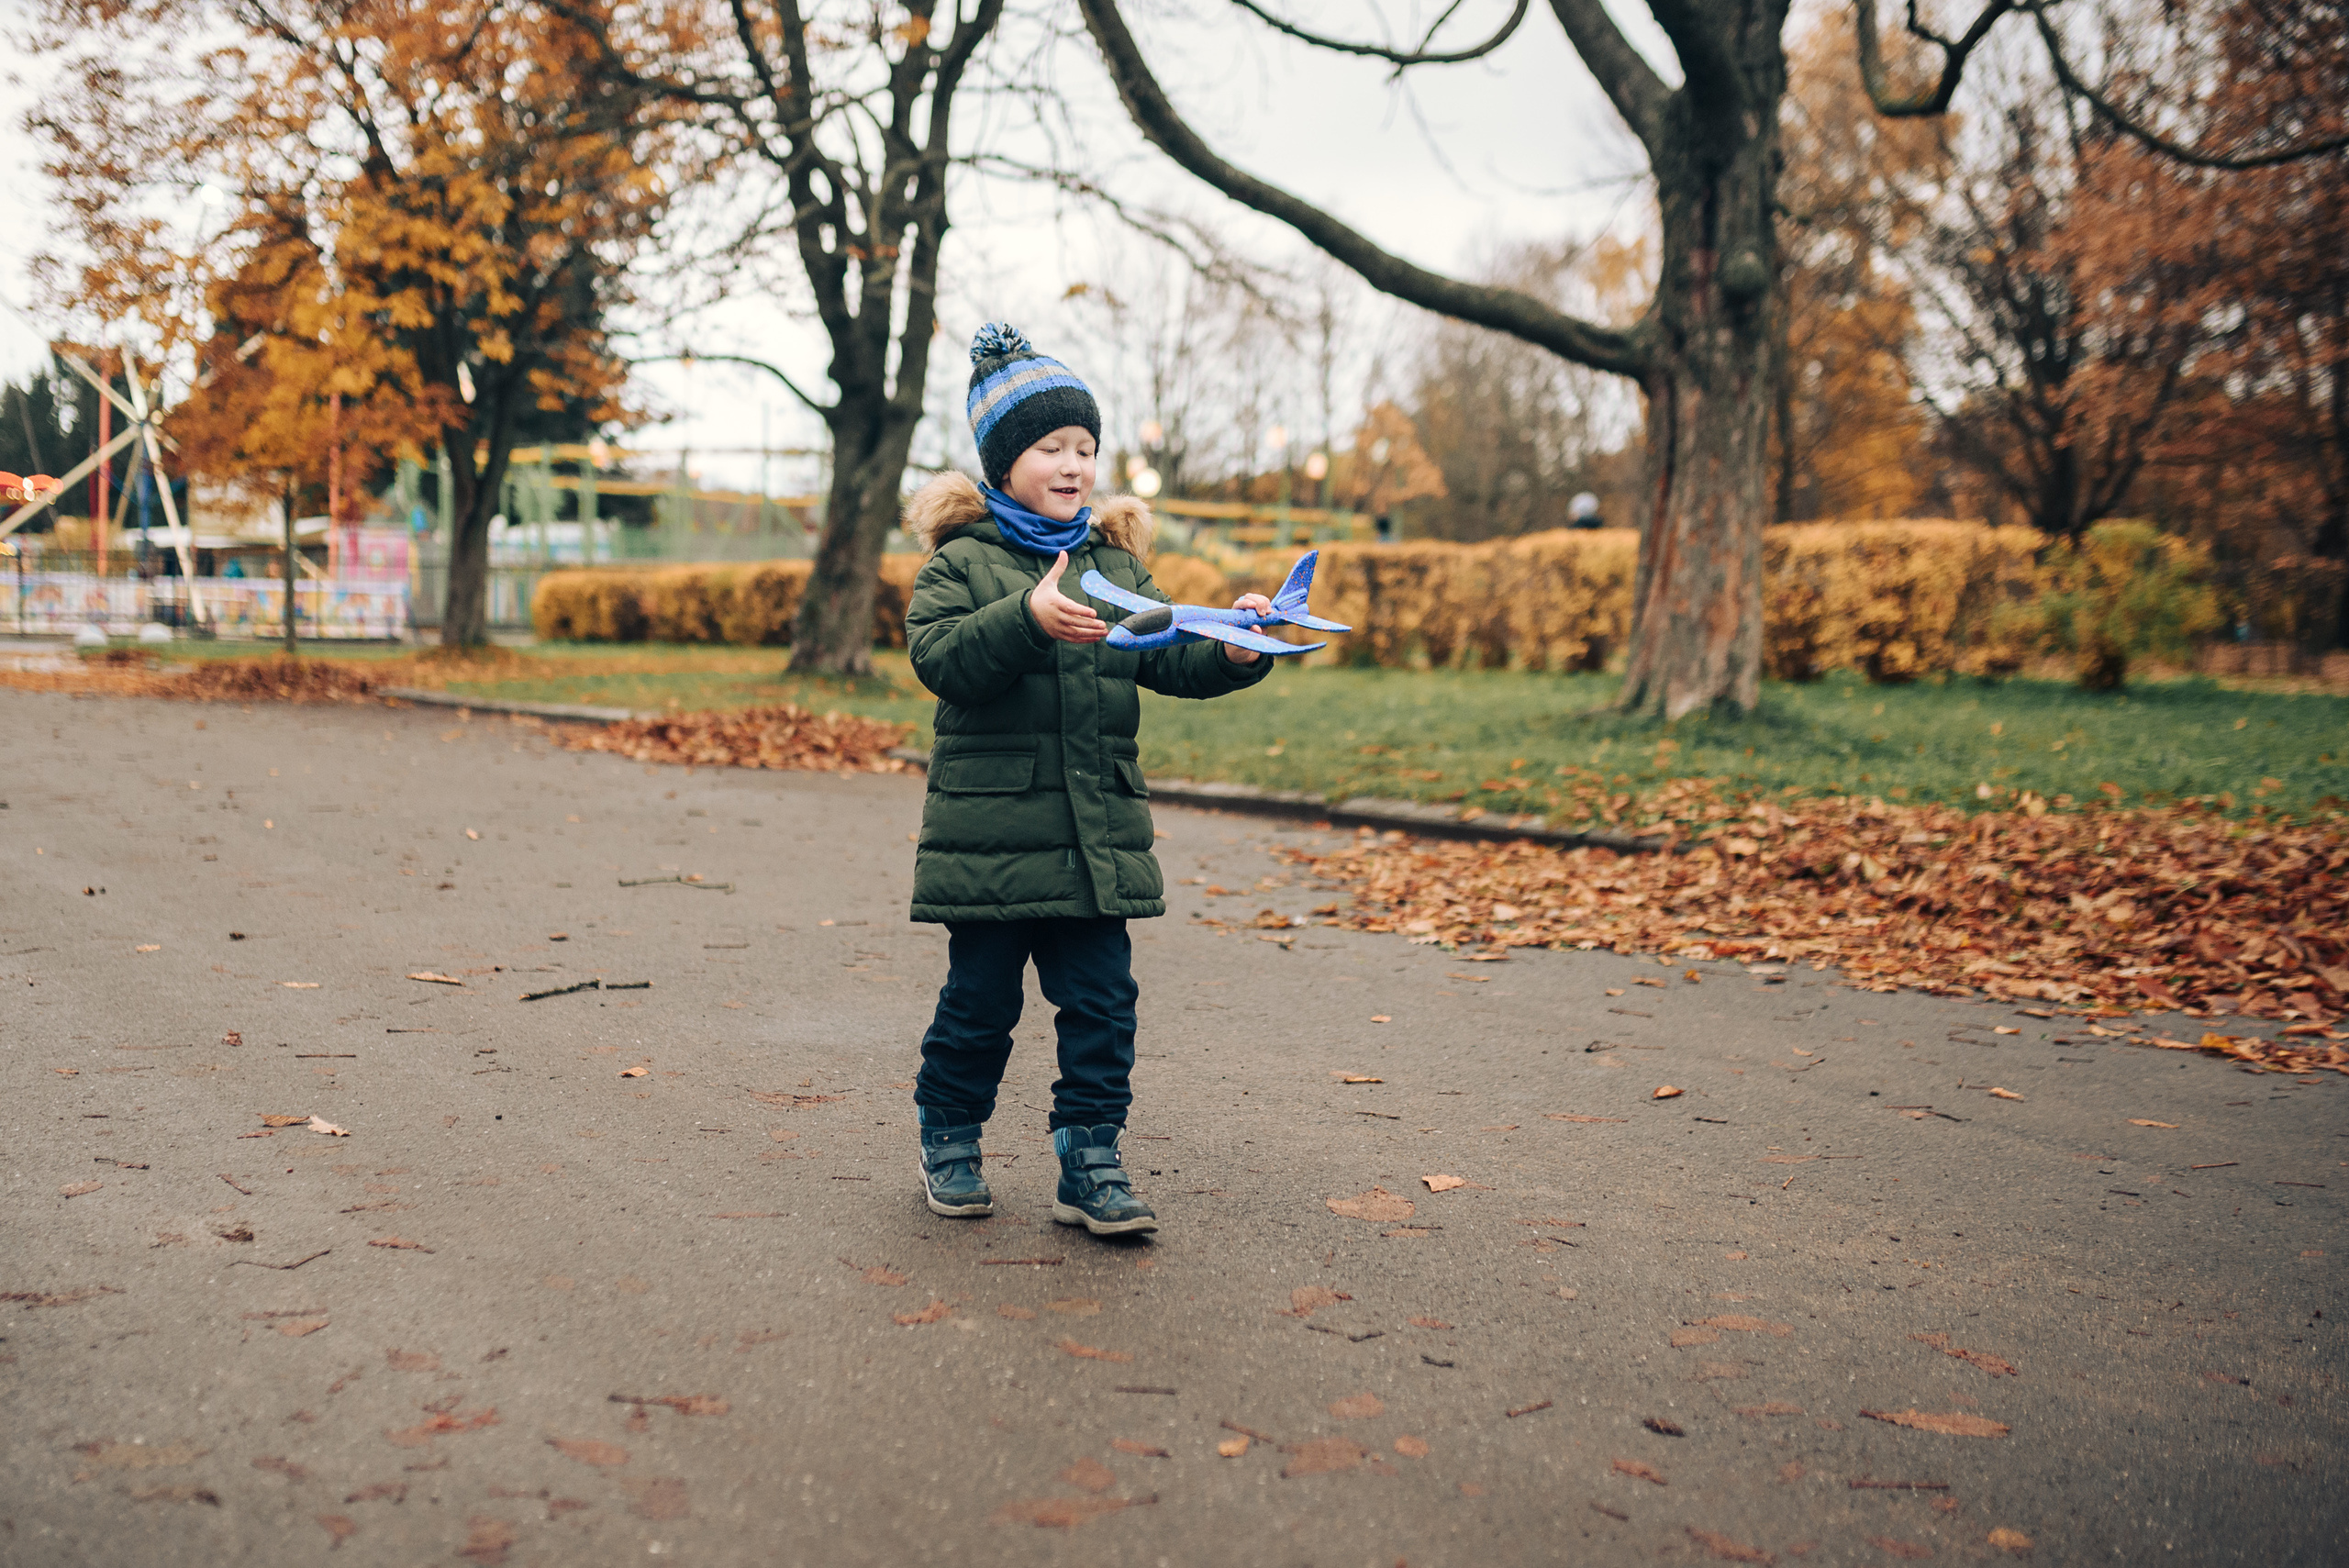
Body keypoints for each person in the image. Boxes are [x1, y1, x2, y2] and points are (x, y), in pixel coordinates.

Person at [900, 323, 1275, 1238]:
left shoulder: (1114, 566)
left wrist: (1231, 649)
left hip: (1095, 837)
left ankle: (1090, 1157)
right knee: (979, 1007)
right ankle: (950, 1133)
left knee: (1103, 1006)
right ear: (1002, 462)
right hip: (992, 839)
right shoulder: (960, 562)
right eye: (1050, 447)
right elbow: (942, 659)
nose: (1073, 464)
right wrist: (1025, 618)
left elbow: (1166, 653)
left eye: (1084, 447)